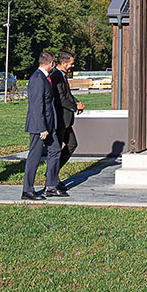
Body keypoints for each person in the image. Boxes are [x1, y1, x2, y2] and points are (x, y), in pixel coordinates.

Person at [23, 52, 65, 199]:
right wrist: (42, 127)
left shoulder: (45, 78)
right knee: (34, 157)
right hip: (39, 126)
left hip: (49, 124)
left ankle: (51, 186)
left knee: (55, 150)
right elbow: (36, 106)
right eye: (54, 63)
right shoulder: (38, 79)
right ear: (51, 63)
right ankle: (27, 190)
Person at [50, 50, 85, 192]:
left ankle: (53, 173)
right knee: (57, 149)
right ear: (64, 63)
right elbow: (60, 99)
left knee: (72, 144)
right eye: (71, 63)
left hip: (67, 120)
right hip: (60, 120)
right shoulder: (56, 76)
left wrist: (77, 103)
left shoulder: (63, 76)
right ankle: (52, 178)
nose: (72, 66)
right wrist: (75, 106)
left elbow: (68, 95)